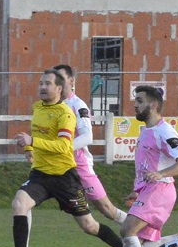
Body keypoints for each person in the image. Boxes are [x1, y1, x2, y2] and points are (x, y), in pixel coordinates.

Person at [0, 69, 127, 247]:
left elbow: (64, 146)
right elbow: (37, 134)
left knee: (89, 226)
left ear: (59, 88)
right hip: (40, 174)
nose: (42, 87)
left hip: (64, 178)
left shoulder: (66, 114)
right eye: (40, 83)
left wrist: (33, 141)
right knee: (19, 204)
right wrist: (29, 146)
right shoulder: (38, 107)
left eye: (47, 83)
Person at [119, 86, 178, 247]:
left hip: (161, 190)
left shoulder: (164, 131)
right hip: (149, 191)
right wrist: (137, 192)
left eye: (140, 101)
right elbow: (147, 166)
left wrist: (161, 174)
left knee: (127, 230)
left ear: (154, 105)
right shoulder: (146, 131)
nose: (135, 105)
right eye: (135, 101)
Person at [52, 63, 125, 224]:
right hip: (54, 164)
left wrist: (61, 148)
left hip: (77, 164)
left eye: (61, 78)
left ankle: (140, 230)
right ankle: (22, 244)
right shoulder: (50, 106)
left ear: (71, 81)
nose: (57, 83)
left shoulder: (78, 106)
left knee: (105, 208)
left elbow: (87, 137)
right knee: (25, 199)